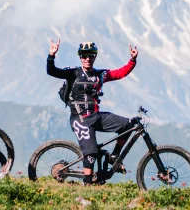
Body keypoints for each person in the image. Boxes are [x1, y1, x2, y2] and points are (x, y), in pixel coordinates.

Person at [47, 39, 138, 185]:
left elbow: (120, 73)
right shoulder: (74, 73)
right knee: (91, 153)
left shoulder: (100, 74)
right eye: (84, 56)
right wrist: (51, 55)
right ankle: (88, 186)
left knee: (128, 125)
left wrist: (132, 60)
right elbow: (52, 71)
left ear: (95, 56)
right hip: (80, 119)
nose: (87, 59)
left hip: (96, 116)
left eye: (90, 55)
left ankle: (114, 156)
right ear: (80, 57)